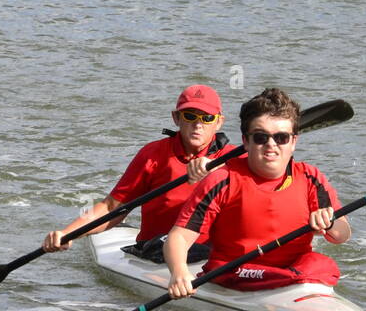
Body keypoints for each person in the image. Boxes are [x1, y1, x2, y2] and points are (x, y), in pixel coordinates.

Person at [164, 87, 349, 298]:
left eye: (281, 138)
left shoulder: (311, 177)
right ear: (246, 141)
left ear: (293, 142)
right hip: (237, 274)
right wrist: (179, 273)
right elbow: (178, 237)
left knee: (321, 263)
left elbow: (342, 234)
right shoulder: (222, 180)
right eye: (261, 137)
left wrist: (331, 222)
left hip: (296, 276)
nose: (271, 145)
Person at [42, 85, 234, 261]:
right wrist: (68, 233)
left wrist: (219, 170)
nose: (198, 124)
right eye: (190, 116)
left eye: (207, 117)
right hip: (158, 252)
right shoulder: (153, 155)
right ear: (176, 118)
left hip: (216, 254)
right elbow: (111, 208)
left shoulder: (235, 159)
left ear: (219, 122)